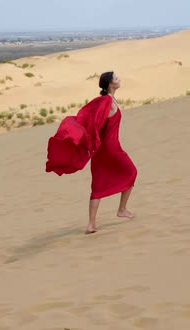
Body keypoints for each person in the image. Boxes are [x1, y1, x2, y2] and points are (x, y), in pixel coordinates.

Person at [45, 71, 137, 234]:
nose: (119, 79)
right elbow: (95, 122)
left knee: (98, 185)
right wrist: (89, 140)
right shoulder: (107, 101)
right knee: (131, 172)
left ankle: (91, 225)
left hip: (101, 149)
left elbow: (97, 122)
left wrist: (93, 144)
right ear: (110, 84)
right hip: (111, 147)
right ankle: (122, 209)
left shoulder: (108, 100)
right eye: (116, 78)